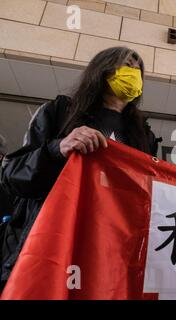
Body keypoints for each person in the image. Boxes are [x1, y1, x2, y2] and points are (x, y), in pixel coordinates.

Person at [0, 46, 159, 291]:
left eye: (139, 70)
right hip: (54, 241)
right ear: (103, 69)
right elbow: (11, 175)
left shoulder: (143, 134)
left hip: (111, 252)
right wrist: (56, 149)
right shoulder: (61, 112)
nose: (134, 72)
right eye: (127, 65)